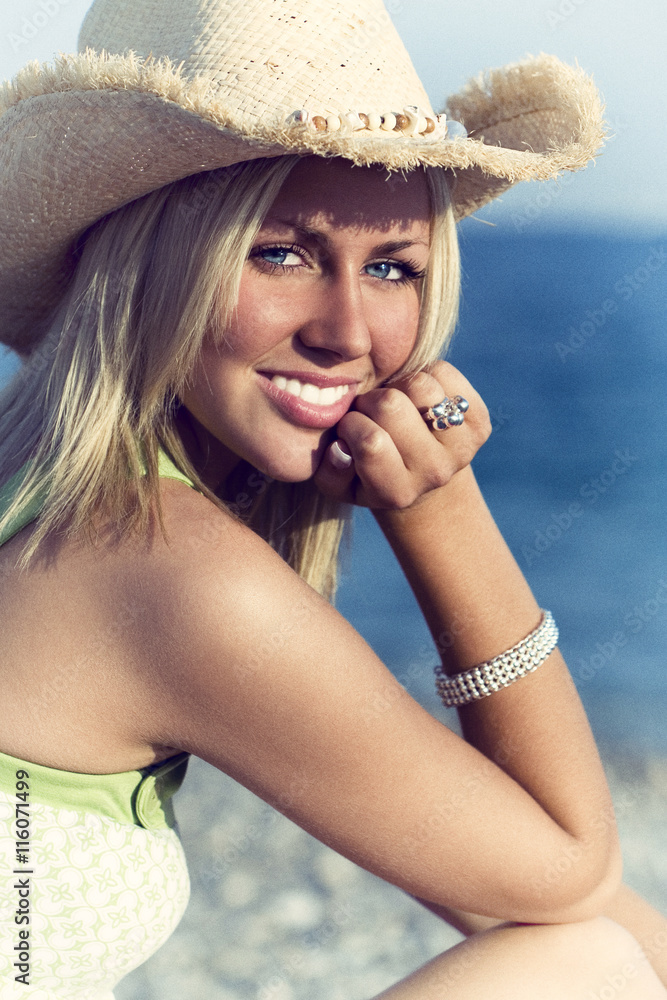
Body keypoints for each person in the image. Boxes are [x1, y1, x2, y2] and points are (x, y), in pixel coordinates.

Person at [0, 1, 665, 998]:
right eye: (283, 253)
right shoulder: (162, 567)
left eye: (392, 267)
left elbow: (522, 885)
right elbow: (571, 875)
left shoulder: (48, 497)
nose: (349, 331)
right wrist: (443, 513)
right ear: (151, 257)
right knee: (585, 962)